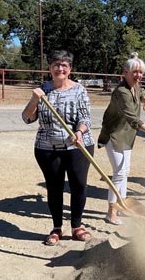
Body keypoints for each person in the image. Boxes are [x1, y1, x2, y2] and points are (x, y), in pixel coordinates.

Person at [22, 50, 94, 245]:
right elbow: (27, 118)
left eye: (64, 65)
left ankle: (77, 225)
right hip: (47, 148)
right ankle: (56, 228)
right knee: (54, 188)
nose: (60, 68)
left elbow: (86, 117)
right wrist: (35, 99)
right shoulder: (43, 89)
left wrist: (79, 132)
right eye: (56, 64)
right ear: (50, 68)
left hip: (78, 146)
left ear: (69, 69)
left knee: (78, 185)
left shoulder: (79, 90)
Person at [98, 53, 145, 225]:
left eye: (140, 72)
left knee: (125, 172)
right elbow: (134, 121)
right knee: (119, 173)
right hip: (114, 135)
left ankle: (122, 204)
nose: (138, 75)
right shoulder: (122, 92)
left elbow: (141, 92)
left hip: (127, 136)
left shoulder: (135, 86)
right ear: (125, 72)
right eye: (134, 72)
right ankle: (111, 211)